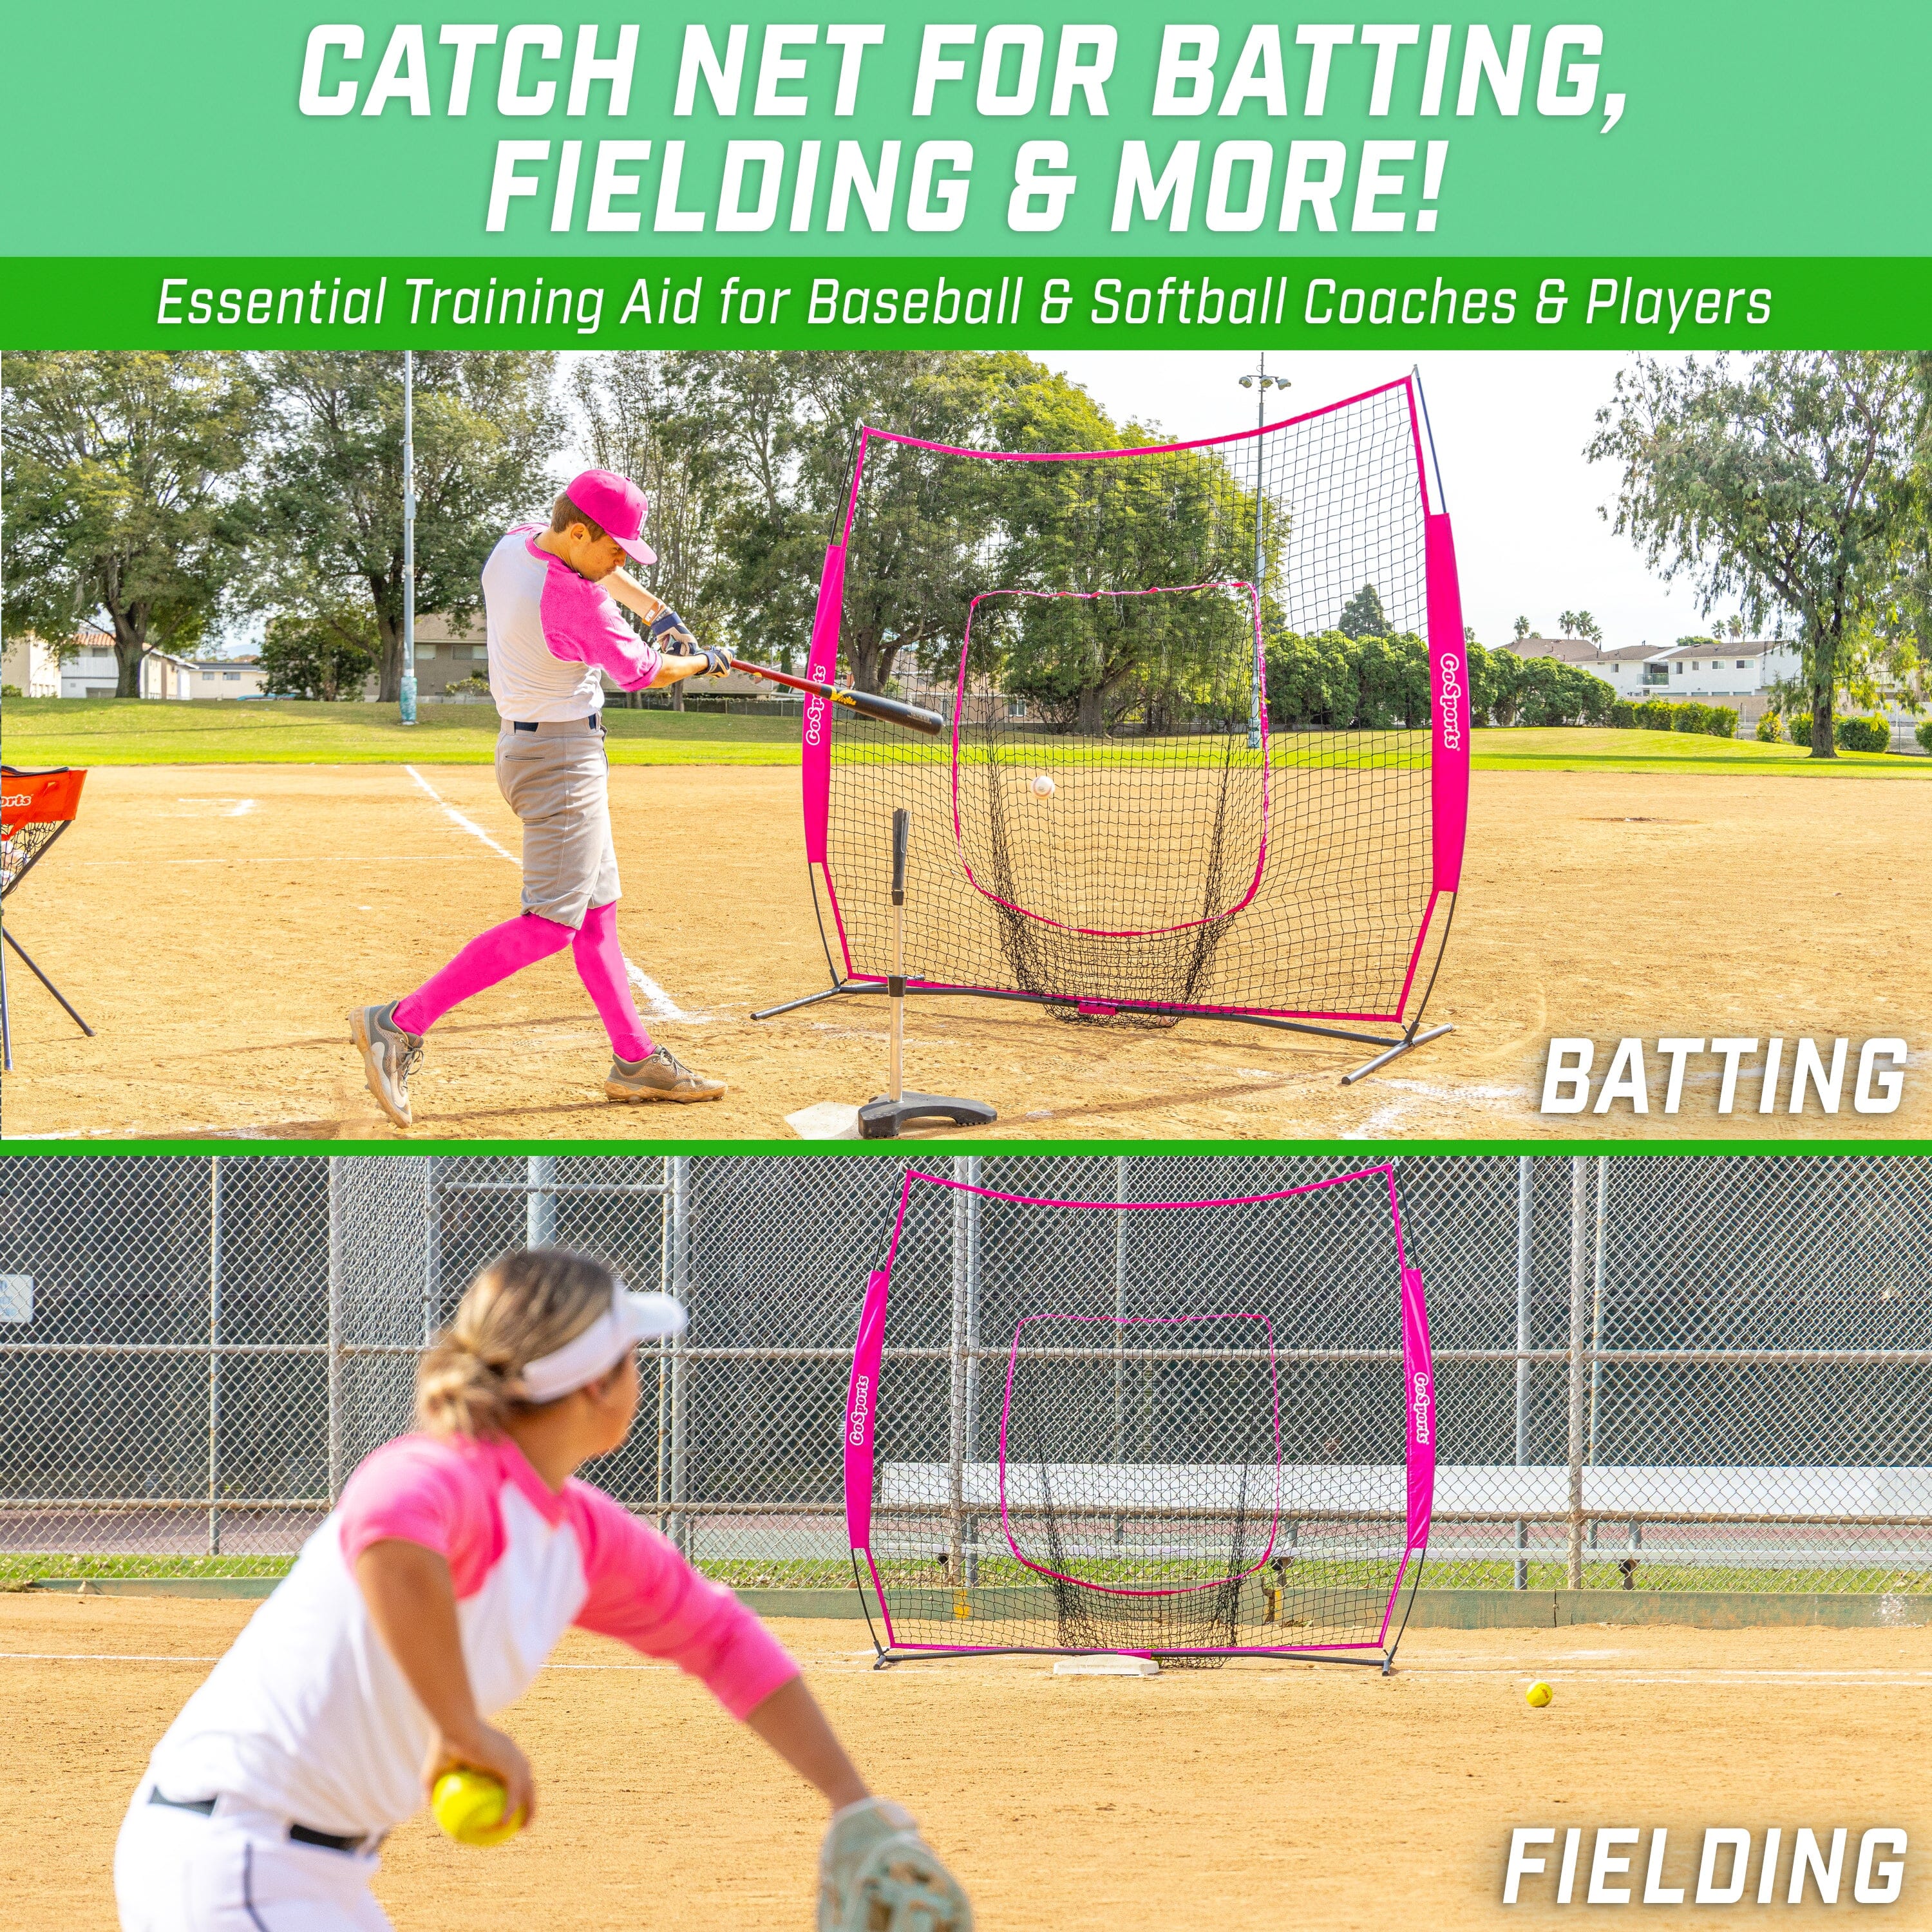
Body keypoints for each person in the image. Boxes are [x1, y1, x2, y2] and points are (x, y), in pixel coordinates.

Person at [112, 1247, 972, 1932]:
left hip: (305, 1874)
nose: (644, 1374)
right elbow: (390, 1541)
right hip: (234, 1860)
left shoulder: (578, 1532)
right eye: (633, 1356)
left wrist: (850, 1801)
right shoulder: (442, 1472)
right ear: (597, 1385)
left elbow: (723, 1641)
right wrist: (462, 1729)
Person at [350, 469, 727, 1128]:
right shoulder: (574, 602)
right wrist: (702, 660)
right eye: (615, 548)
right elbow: (644, 672)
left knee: (599, 914)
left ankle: (636, 1061)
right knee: (552, 924)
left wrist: (659, 615)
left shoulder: (517, 544)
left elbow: (604, 579)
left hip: (536, 748)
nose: (619, 562)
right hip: (560, 763)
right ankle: (397, 1023)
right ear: (579, 532)